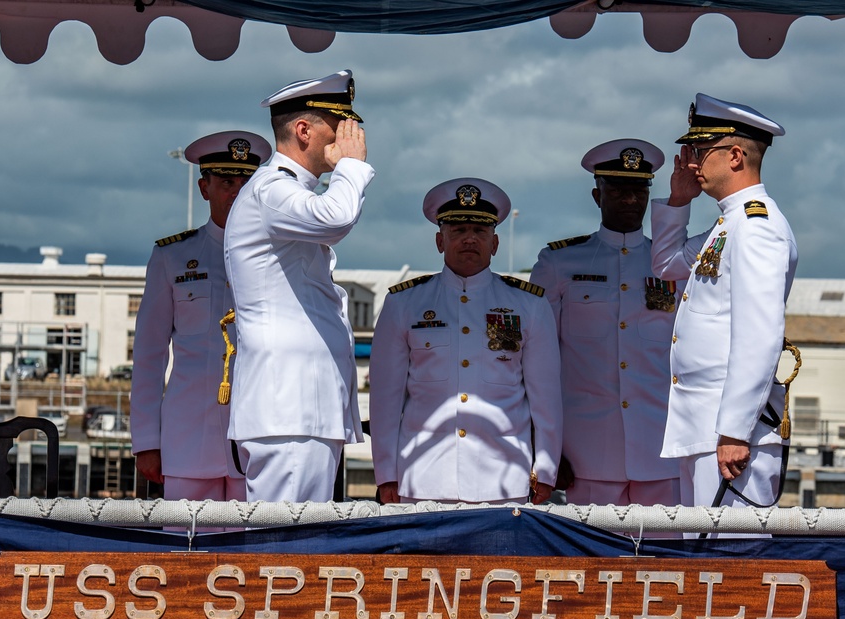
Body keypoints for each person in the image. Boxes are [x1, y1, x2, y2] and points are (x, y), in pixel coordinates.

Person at [223, 69, 374, 503]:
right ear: (304, 130)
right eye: (340, 124)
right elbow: (336, 218)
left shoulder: (288, 193)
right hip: (287, 409)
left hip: (301, 409)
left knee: (298, 554)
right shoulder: (272, 190)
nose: (352, 134)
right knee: (281, 553)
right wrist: (352, 167)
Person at [650, 93, 799, 525]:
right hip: (704, 428)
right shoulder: (728, 224)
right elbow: (666, 264)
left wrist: (735, 431)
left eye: (699, 150)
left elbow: (759, 335)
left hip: (729, 436)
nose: (690, 161)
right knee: (704, 568)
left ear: (734, 156)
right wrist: (678, 202)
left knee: (733, 564)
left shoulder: (756, 228)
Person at [369, 178, 563, 505]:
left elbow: (546, 398)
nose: (470, 238)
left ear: (496, 242)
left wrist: (544, 471)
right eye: (458, 230)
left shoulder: (529, 305)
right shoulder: (404, 303)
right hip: (423, 477)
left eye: (480, 230)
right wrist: (386, 472)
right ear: (439, 240)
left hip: (504, 480)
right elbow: (385, 399)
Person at [529, 139, 680, 507]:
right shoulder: (559, 263)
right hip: (586, 452)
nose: (630, 200)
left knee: (666, 562)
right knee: (592, 562)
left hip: (662, 448)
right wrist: (545, 447)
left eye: (638, 191)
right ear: (598, 196)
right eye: (618, 190)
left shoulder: (674, 265)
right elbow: (535, 362)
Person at [131, 130, 272, 505]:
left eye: (247, 182)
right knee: (186, 555)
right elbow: (148, 355)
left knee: (258, 557)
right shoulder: (172, 258)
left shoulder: (282, 256)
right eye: (227, 181)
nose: (237, 191)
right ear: (204, 188)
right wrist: (146, 441)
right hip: (188, 437)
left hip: (260, 438)